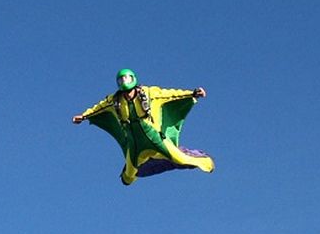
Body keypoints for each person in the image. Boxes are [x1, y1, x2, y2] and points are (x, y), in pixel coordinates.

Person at [73, 69, 215, 185]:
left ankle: (202, 159)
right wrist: (84, 116)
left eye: (126, 79)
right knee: (127, 178)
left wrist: (192, 93)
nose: (124, 83)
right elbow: (99, 108)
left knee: (180, 159)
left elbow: (170, 95)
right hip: (134, 145)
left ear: (133, 79)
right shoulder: (114, 100)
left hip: (154, 138)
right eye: (121, 80)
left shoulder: (148, 93)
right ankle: (152, 163)